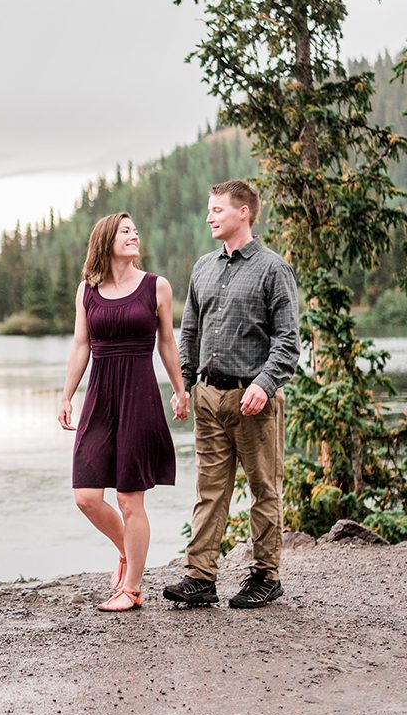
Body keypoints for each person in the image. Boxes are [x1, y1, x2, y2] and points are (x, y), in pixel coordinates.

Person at [163, 179, 300, 609]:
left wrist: (264, 384)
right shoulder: (203, 267)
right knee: (209, 490)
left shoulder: (273, 268)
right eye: (209, 210)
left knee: (264, 488)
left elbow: (288, 340)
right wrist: (184, 384)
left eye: (217, 210)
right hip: (207, 397)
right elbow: (189, 332)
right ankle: (200, 577)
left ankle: (266, 575)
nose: (209, 217)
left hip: (253, 400)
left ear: (244, 212)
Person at [58, 211, 188, 612]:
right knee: (86, 496)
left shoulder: (156, 287)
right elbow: (81, 345)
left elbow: (167, 343)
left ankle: (131, 589)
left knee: (131, 500)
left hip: (139, 394)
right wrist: (66, 395)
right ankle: (126, 552)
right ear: (106, 241)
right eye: (125, 231)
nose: (134, 235)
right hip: (99, 397)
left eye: (135, 230)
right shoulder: (87, 290)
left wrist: (180, 390)